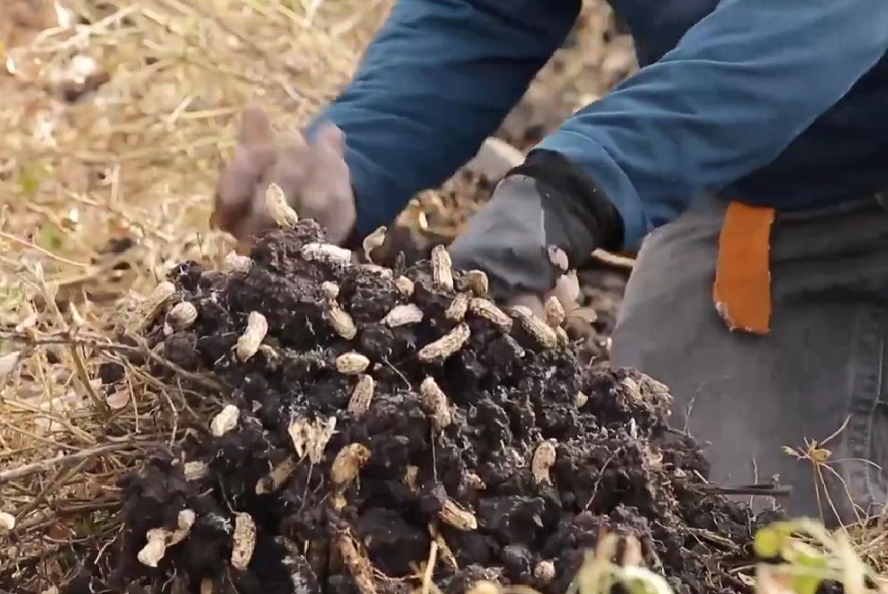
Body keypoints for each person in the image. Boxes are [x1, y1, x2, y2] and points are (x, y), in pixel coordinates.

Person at [213, 0, 888, 526]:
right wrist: (358, 160)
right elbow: (485, 13)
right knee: (677, 503)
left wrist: (575, 188)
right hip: (780, 185)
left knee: (787, 548)